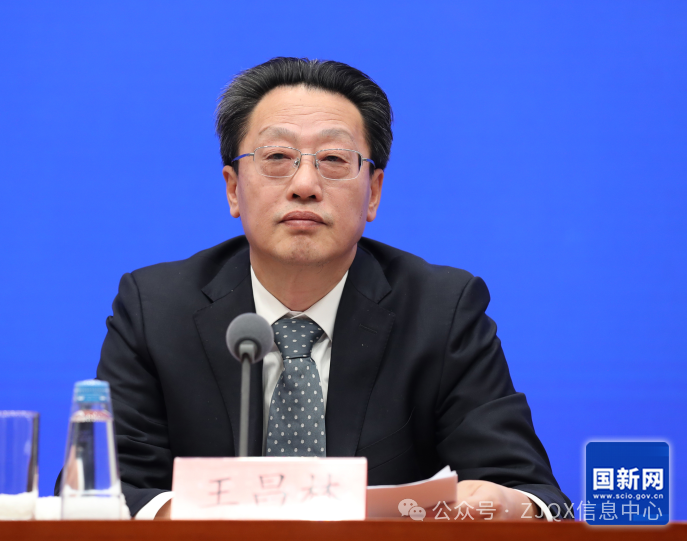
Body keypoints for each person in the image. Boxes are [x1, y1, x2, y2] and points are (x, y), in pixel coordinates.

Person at [88, 57, 571, 520]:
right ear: (233, 189)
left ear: (373, 192)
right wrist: (212, 517)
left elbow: (529, 488)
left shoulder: (441, 312)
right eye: (277, 157)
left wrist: (507, 504)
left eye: (334, 159)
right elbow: (102, 490)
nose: (305, 184)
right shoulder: (156, 309)